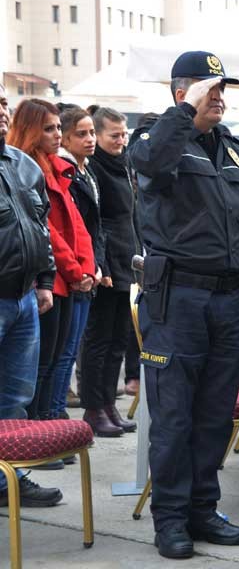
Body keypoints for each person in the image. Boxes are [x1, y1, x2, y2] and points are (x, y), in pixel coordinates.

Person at [128, 51, 239, 559]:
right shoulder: (154, 138)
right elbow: (149, 163)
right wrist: (185, 112)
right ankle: (170, 519)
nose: (220, 99)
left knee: (214, 415)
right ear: (181, 92)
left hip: (227, 300)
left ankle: (203, 509)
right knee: (175, 417)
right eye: (210, 89)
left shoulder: (232, 150)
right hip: (177, 299)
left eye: (223, 90)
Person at [8, 99, 96, 422]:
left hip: (65, 278)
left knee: (59, 356)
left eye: (59, 127)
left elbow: (77, 225)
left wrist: (86, 267)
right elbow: (46, 230)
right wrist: (76, 270)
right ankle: (40, 425)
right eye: (49, 128)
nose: (57, 134)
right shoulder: (26, 170)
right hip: (49, 278)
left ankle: (48, 421)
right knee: (41, 364)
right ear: (30, 130)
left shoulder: (58, 170)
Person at [0, 83, 63, 506]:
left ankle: (9, 479)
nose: (2, 112)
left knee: (15, 397)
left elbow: (39, 227)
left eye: (2, 104)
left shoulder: (22, 165)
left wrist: (44, 281)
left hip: (23, 298)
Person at [79, 106, 140, 437]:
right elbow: (97, 223)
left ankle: (107, 404)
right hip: (106, 262)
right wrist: (99, 263)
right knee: (99, 339)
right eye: (113, 135)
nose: (120, 140)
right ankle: (93, 407)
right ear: (99, 136)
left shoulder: (124, 163)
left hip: (127, 257)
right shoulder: (95, 170)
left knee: (120, 338)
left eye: (123, 134)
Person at [53, 108, 104, 432]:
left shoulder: (85, 171)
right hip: (67, 276)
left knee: (69, 351)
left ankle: (57, 416)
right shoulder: (64, 171)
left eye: (91, 133)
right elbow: (60, 231)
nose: (89, 139)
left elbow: (92, 229)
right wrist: (79, 271)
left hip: (86, 271)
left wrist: (96, 266)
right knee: (60, 356)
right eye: (81, 134)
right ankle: (54, 415)